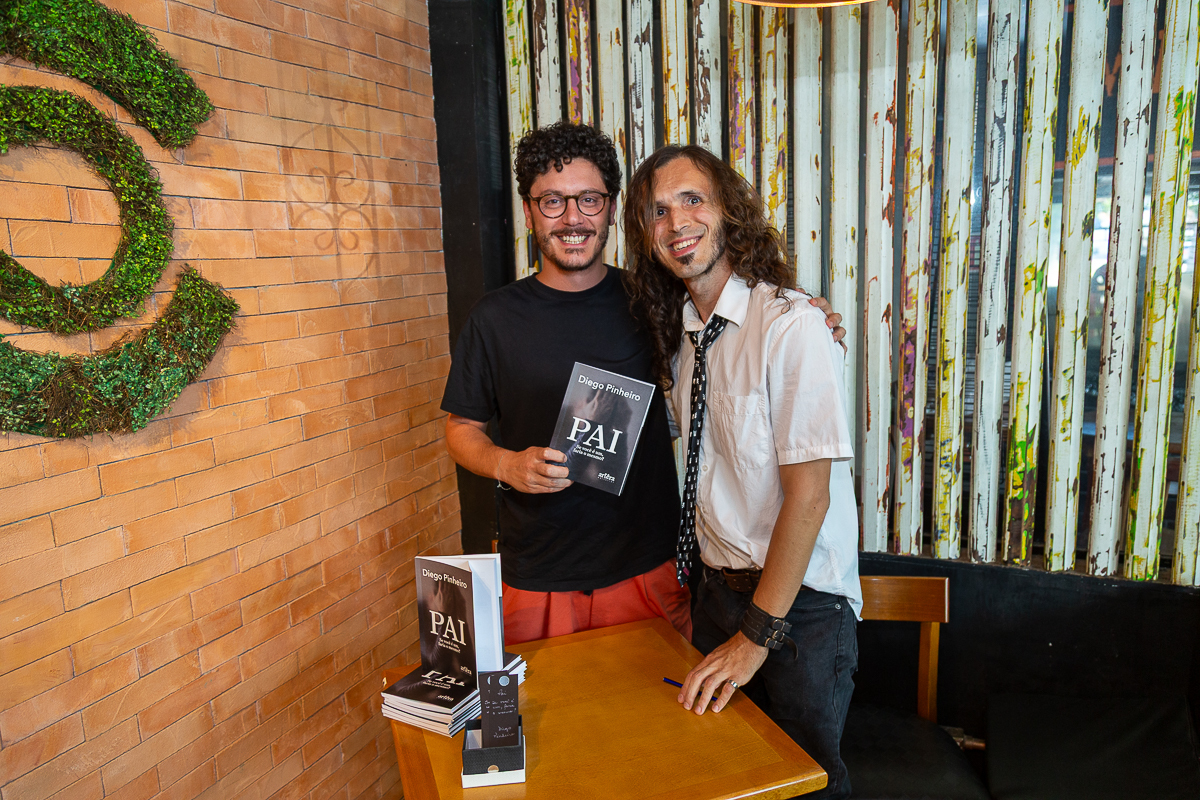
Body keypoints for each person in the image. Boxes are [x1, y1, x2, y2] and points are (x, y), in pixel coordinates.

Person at [441, 122, 843, 648]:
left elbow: (707, 383)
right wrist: (506, 465)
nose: (572, 219)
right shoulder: (491, 319)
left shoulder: (657, 305)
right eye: (552, 202)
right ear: (528, 210)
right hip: (537, 572)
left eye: (589, 199)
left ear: (610, 208)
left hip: (649, 568)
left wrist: (814, 320)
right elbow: (461, 428)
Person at [624, 144, 861, 800]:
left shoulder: (792, 327)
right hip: (715, 595)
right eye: (657, 212)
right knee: (720, 776)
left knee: (804, 790)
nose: (677, 223)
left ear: (728, 208)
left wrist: (756, 639)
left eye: (692, 200)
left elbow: (809, 498)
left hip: (800, 612)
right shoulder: (681, 337)